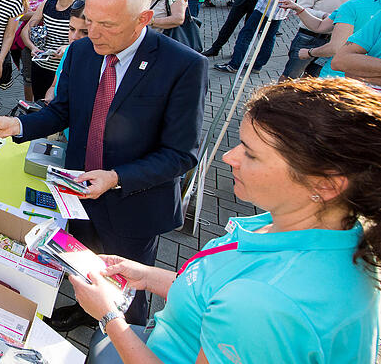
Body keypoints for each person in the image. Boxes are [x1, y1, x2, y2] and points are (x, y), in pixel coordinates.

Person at [75, 78, 381, 364]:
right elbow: (215, 292)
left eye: (251, 154)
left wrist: (108, 316)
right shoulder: (324, 229)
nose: (229, 157)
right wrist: (147, 276)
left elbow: (244, 305)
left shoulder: (266, 303)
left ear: (326, 185)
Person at [0, 0, 208, 328]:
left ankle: (125, 339)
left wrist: (116, 177)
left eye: (108, 25)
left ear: (143, 18)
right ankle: (86, 313)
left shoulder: (184, 66)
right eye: (89, 20)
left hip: (133, 204)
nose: (94, 34)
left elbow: (181, 154)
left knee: (128, 291)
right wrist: (20, 124)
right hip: (79, 193)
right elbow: (63, 111)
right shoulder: (82, 52)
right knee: (86, 268)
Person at [280, 0, 380, 79]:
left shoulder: (352, 7)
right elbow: (320, 26)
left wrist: (309, 52)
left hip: (337, 76)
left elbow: (335, 47)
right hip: (369, 78)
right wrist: (299, 9)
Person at [22, 0, 89, 99]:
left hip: (63, 70)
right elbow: (25, 31)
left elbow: (88, 41)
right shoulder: (46, 5)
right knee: (40, 102)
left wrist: (68, 49)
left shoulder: (80, 9)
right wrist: (32, 47)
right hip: (40, 67)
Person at [18, 0, 54, 101]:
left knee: (48, 77)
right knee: (28, 76)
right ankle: (29, 106)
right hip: (28, 38)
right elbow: (18, 14)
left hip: (51, 38)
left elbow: (55, 11)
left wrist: (31, 13)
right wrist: (39, 13)